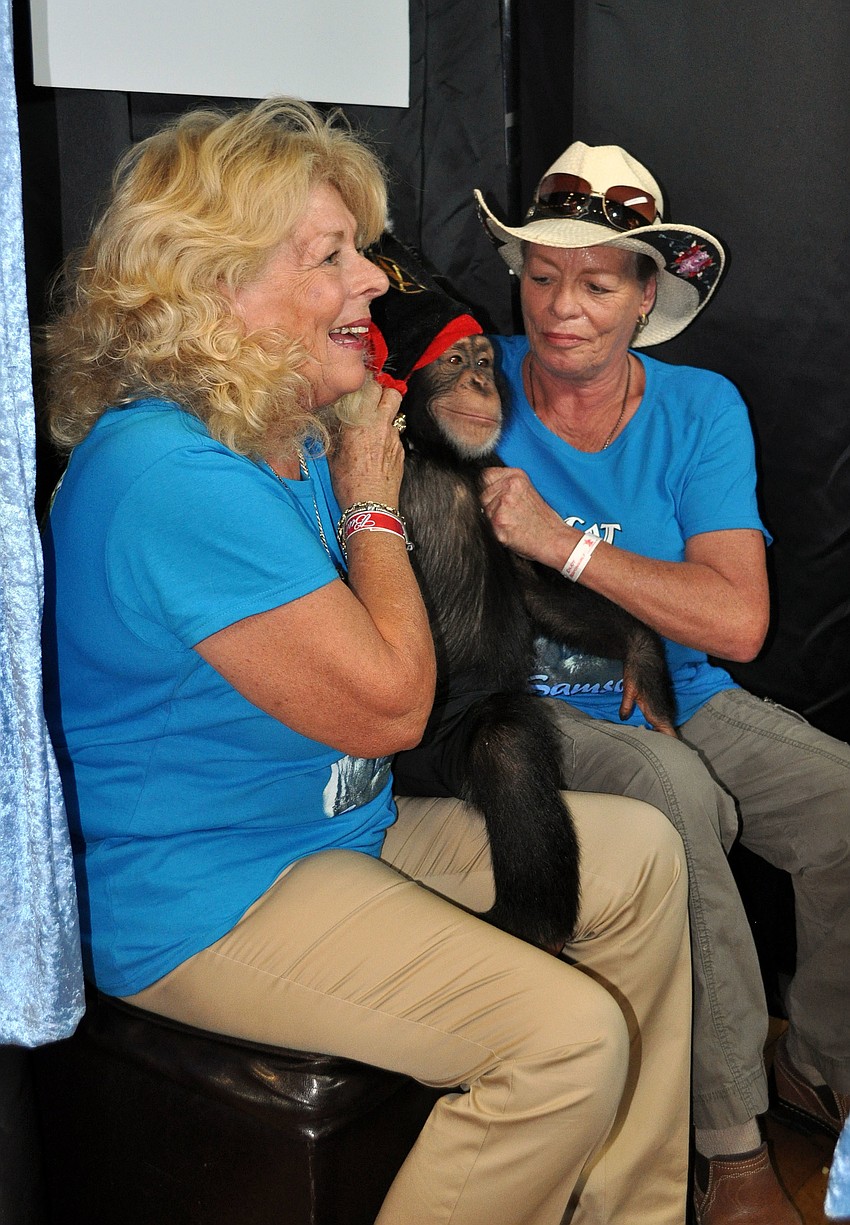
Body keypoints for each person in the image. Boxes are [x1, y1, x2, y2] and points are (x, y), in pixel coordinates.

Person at [39, 100, 693, 1225]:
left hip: (326, 828)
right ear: (213, 286)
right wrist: (370, 501)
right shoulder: (170, 474)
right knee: (562, 1040)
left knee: (640, 851)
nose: (374, 283)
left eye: (361, 250)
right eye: (330, 256)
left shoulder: (274, 426)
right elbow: (390, 707)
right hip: (211, 897)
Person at [475, 140, 850, 1225]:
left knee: (841, 803)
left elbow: (734, 621)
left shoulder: (698, 407)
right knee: (678, 796)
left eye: (596, 281)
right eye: (541, 275)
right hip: (529, 709)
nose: (561, 307)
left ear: (648, 295)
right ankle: (726, 1146)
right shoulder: (464, 383)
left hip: (686, 689)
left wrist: (563, 546)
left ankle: (815, 1063)